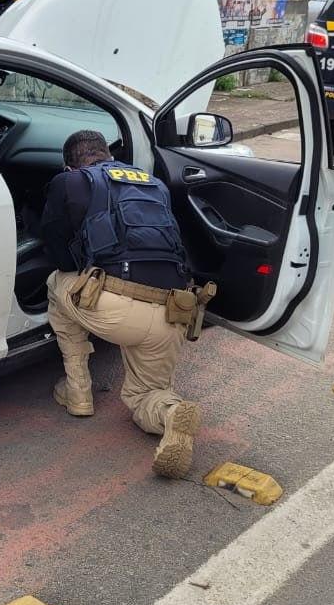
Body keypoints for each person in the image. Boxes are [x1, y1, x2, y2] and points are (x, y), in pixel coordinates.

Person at [40, 129, 210, 478]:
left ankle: (78, 392)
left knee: (57, 283)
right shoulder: (154, 185)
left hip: (115, 309)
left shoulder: (69, 182)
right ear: (110, 157)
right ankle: (170, 413)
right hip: (173, 312)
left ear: (70, 167)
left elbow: (60, 257)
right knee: (145, 393)